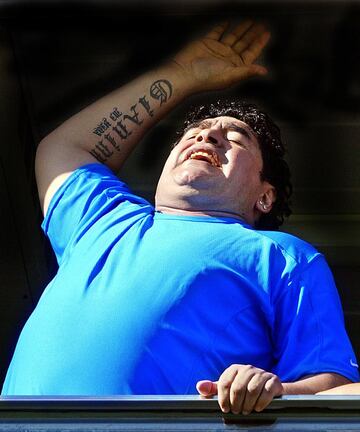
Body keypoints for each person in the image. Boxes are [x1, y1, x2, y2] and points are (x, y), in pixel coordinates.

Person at [2, 21, 359, 415]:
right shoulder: (103, 217)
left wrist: (276, 392)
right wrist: (183, 75)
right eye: (195, 132)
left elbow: (339, 390)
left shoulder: (284, 256)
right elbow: (63, 148)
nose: (206, 137)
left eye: (234, 139)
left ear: (265, 195)